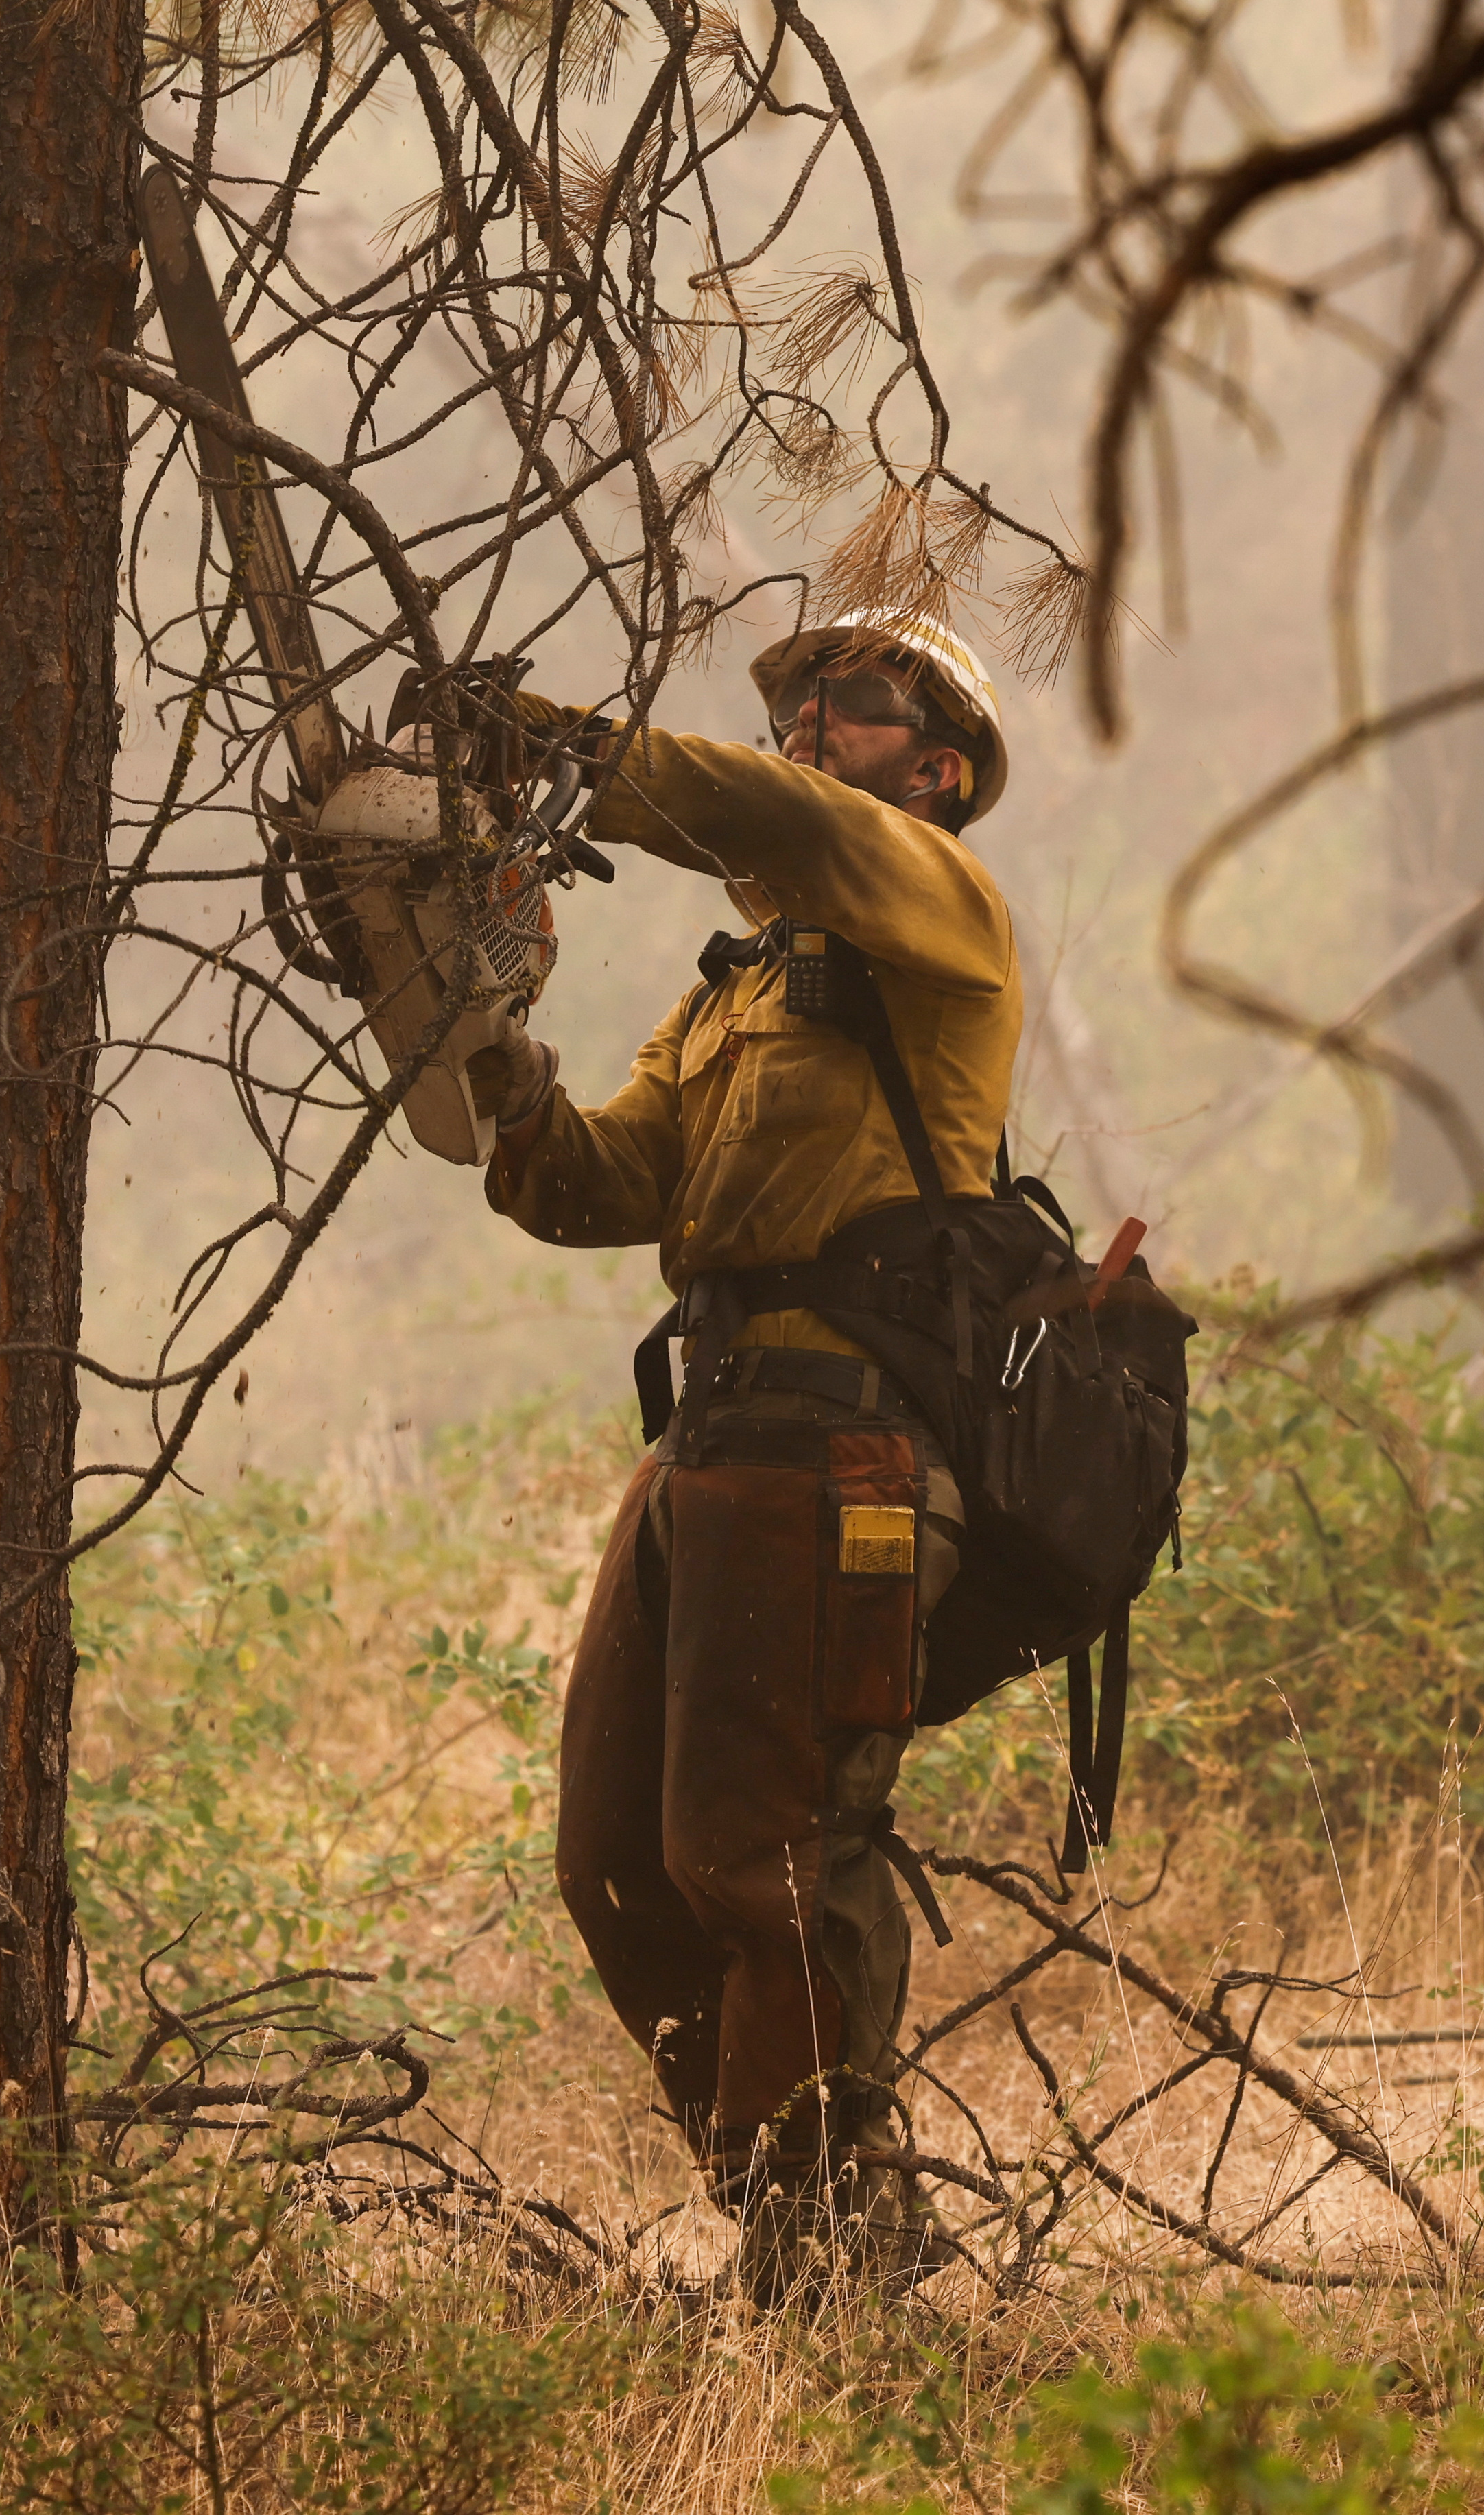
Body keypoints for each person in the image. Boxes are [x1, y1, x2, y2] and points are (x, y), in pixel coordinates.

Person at [463, 610, 1016, 2296]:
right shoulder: (735, 997)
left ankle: (820, 2243)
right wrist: (478, 1026)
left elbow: (767, 824)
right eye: (782, 703)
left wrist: (555, 745)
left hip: (839, 1447)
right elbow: (589, 1187)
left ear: (931, 768)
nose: (797, 725)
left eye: (842, 704)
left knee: (757, 1854)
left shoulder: (934, 901)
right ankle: (802, 2205)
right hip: (711, 1438)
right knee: (616, 1861)